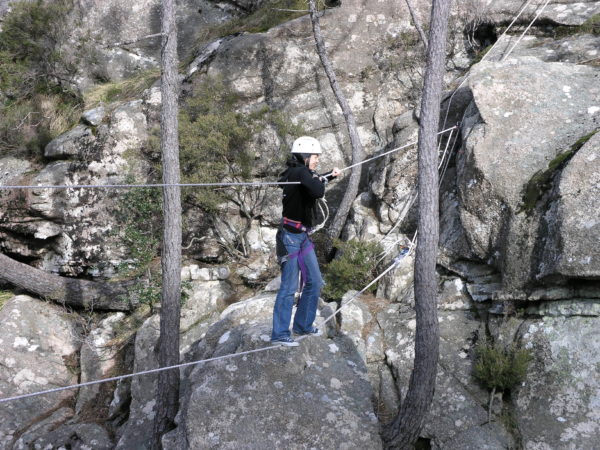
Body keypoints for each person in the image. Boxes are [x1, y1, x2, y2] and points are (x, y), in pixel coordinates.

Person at [270, 136, 341, 346]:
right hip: (291, 237)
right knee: (289, 287)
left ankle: (302, 326)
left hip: (301, 236)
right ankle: (280, 334)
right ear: (305, 156)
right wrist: (320, 179)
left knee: (315, 281)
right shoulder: (300, 172)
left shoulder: (298, 172)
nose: (317, 160)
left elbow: (312, 182)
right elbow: (317, 190)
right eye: (315, 156)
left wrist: (330, 176)